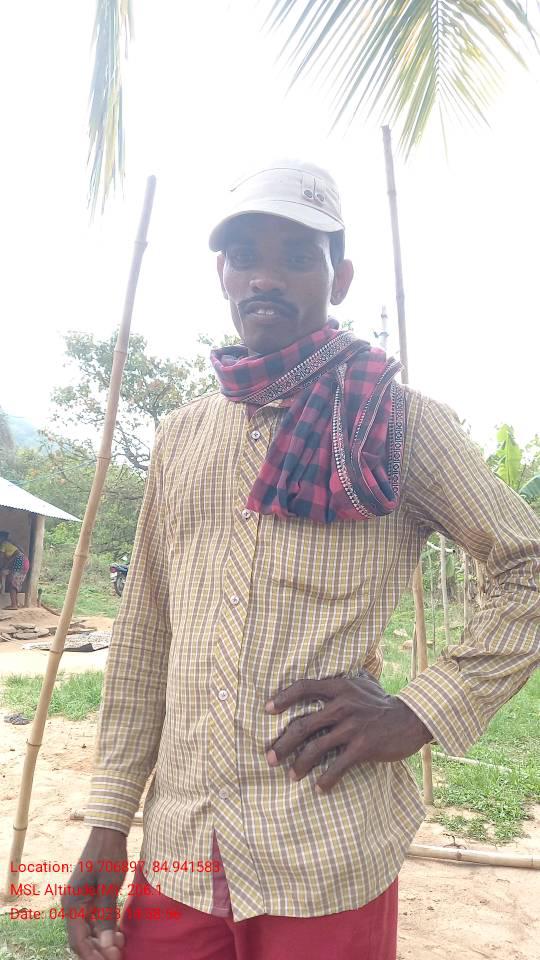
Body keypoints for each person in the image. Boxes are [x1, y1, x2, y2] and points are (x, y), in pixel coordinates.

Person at [63, 161, 540, 960]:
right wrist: (109, 821)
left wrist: (420, 710)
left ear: (339, 278)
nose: (265, 277)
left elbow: (527, 565)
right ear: (222, 275)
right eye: (245, 256)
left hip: (325, 848)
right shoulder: (183, 436)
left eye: (297, 257)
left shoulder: (395, 422)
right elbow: (146, 631)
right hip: (181, 849)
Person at [0, 530, 29, 609]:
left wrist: (2, 567)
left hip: (19, 562)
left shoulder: (3, 544)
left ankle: (14, 605)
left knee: (12, 583)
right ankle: (15, 603)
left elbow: (1, 558)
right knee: (16, 583)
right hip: (25, 562)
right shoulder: (11, 545)